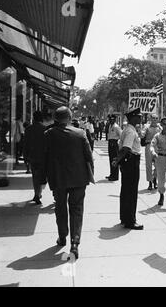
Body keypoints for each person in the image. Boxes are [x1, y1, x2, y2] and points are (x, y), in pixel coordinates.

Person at [44, 107, 94, 260]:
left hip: (58, 179)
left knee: (60, 208)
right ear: (70, 117)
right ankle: (75, 243)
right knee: (77, 209)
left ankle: (62, 236)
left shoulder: (49, 134)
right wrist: (91, 174)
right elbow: (88, 156)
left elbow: (45, 158)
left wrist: (47, 177)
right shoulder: (80, 133)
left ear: (55, 118)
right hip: (79, 178)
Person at [112, 108, 143, 230]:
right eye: (139, 116)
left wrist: (118, 161)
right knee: (131, 192)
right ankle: (130, 220)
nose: (140, 118)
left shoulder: (128, 129)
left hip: (127, 162)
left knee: (125, 190)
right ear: (133, 117)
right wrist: (117, 160)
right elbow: (126, 148)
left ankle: (124, 217)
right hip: (131, 162)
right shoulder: (130, 131)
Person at [23, 111, 47, 204]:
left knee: (35, 176)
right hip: (43, 157)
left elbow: (25, 144)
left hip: (32, 157)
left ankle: (37, 194)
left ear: (34, 118)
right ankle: (38, 193)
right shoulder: (45, 129)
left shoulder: (28, 129)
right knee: (42, 176)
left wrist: (25, 156)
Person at [143, 115, 160, 190]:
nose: (155, 120)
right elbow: (142, 135)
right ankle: (150, 182)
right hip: (148, 145)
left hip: (157, 147)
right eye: (153, 118)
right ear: (151, 119)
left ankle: (155, 180)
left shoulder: (160, 128)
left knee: (157, 165)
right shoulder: (146, 127)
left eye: (156, 118)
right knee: (148, 165)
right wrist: (139, 130)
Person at [106, 115, 122, 181]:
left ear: (114, 120)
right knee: (111, 158)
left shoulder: (116, 127)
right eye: (110, 120)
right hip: (110, 143)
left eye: (112, 120)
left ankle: (115, 176)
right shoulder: (110, 126)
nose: (111, 121)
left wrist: (117, 142)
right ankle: (111, 174)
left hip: (114, 143)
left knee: (115, 159)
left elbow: (121, 136)